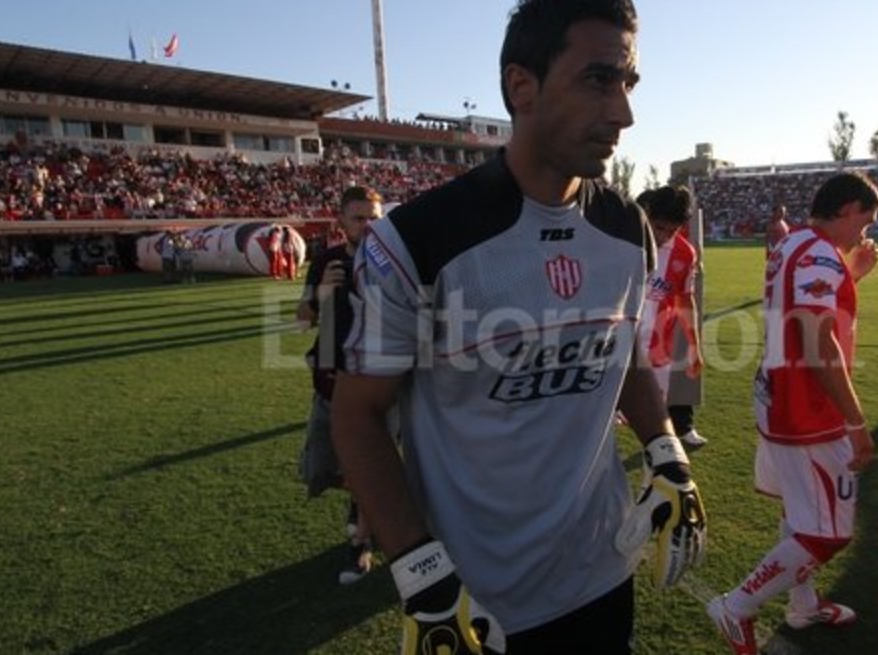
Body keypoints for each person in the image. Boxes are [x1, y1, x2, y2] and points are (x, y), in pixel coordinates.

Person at [331, 1, 706, 653]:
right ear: (520, 86)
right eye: (598, 80)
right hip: (475, 601)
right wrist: (423, 577)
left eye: (628, 84)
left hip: (601, 574)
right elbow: (356, 416)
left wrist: (666, 452)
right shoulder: (418, 239)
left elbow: (626, 357)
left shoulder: (627, 229)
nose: (623, 112)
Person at [708, 172, 878, 655]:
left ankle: (802, 605)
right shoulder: (819, 253)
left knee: (801, 509)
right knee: (829, 533)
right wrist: (856, 421)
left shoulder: (794, 244)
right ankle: (737, 605)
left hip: (779, 391)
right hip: (806, 407)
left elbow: (799, 306)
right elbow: (816, 337)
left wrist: (854, 271)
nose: (866, 231)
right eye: (866, 220)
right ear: (848, 208)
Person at [296, 185, 384, 585]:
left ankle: (361, 537)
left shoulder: (391, 261)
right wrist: (323, 293)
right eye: (359, 218)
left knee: (370, 463)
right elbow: (303, 319)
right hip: (331, 379)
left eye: (374, 218)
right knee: (319, 469)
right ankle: (365, 506)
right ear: (341, 222)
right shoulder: (327, 260)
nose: (368, 227)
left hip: (378, 380)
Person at [636, 185, 707, 449]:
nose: (664, 236)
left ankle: (651, 483)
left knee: (655, 423)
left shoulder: (685, 253)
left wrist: (694, 346)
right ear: (649, 215)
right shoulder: (628, 239)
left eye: (672, 230)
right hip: (616, 346)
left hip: (658, 351)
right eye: (659, 227)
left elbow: (685, 299)